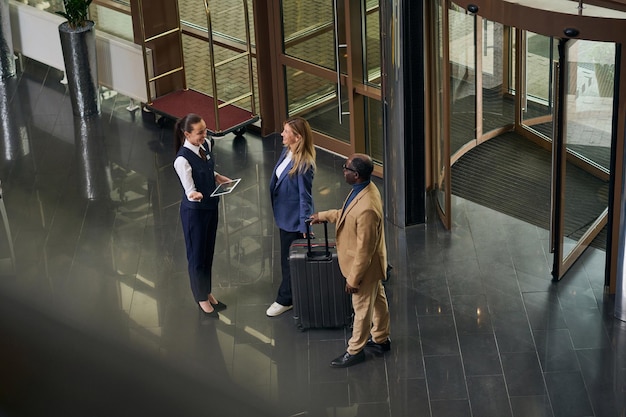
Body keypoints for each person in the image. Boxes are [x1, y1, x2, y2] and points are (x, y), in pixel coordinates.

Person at [309, 153, 391, 367]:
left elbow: (365, 250)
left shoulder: (367, 208)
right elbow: (345, 214)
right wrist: (324, 215)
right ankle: (381, 338)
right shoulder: (364, 189)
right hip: (371, 268)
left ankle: (355, 350)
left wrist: (353, 280)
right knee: (378, 300)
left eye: (345, 168)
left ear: (355, 175)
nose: (342, 170)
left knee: (362, 308)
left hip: (363, 269)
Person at [173, 113, 230, 317]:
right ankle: (201, 297)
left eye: (204, 130)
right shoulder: (182, 160)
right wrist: (193, 194)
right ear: (187, 134)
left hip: (210, 206)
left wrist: (217, 177)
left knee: (208, 253)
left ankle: (206, 291)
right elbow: (190, 188)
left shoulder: (205, 145)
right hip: (195, 213)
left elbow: (206, 169)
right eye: (199, 133)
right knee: (197, 256)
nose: (204, 135)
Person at [266, 117, 316, 317]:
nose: (282, 134)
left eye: (286, 131)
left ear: (297, 137)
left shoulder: (304, 164)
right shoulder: (287, 152)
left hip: (294, 220)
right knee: (287, 259)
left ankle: (285, 299)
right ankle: (293, 293)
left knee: (289, 261)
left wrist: (305, 226)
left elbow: (306, 198)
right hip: (284, 215)